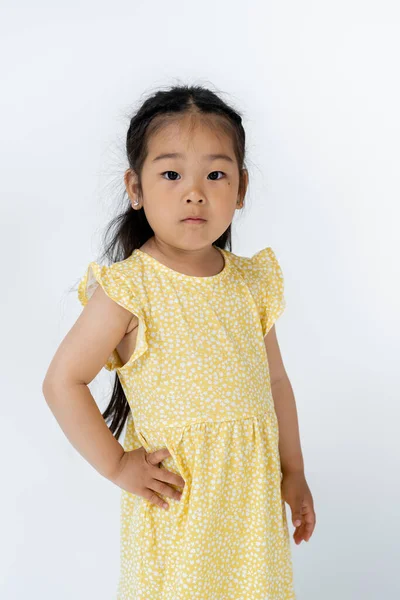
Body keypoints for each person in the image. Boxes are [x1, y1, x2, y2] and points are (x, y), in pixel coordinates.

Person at [43, 83, 316, 599]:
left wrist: (293, 469)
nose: (195, 192)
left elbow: (275, 381)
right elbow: (63, 381)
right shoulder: (131, 288)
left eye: (216, 174)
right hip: (182, 504)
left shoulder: (251, 283)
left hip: (250, 505)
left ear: (241, 188)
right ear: (136, 186)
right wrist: (118, 464)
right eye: (171, 174)